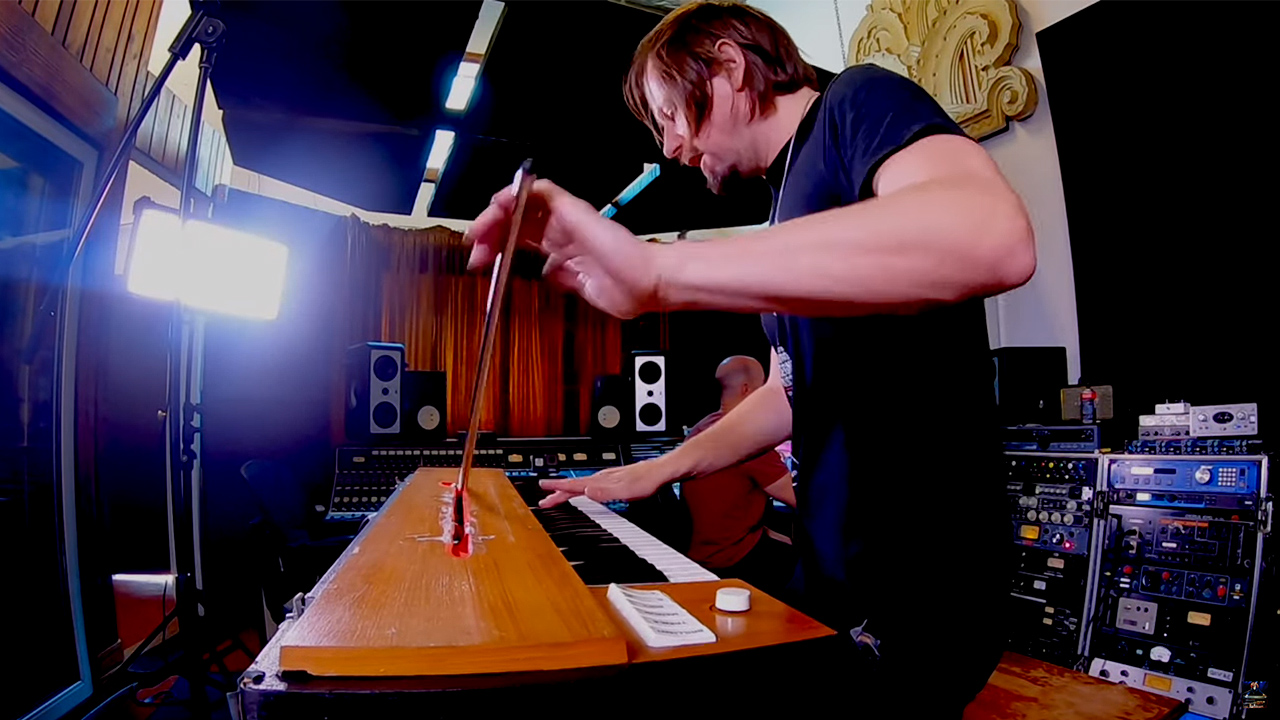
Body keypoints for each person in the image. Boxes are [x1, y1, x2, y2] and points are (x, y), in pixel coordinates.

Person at [467, 1, 1033, 715]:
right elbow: (787, 391)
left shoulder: (856, 102)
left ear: (731, 68)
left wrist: (659, 272)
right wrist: (653, 471)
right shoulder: (782, 198)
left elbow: (991, 235)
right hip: (835, 575)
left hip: (924, 579)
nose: (672, 146)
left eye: (670, 115)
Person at [680, 355, 795, 595]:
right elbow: (800, 498)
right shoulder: (748, 437)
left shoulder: (701, 428)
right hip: (733, 560)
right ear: (746, 389)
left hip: (700, 554)